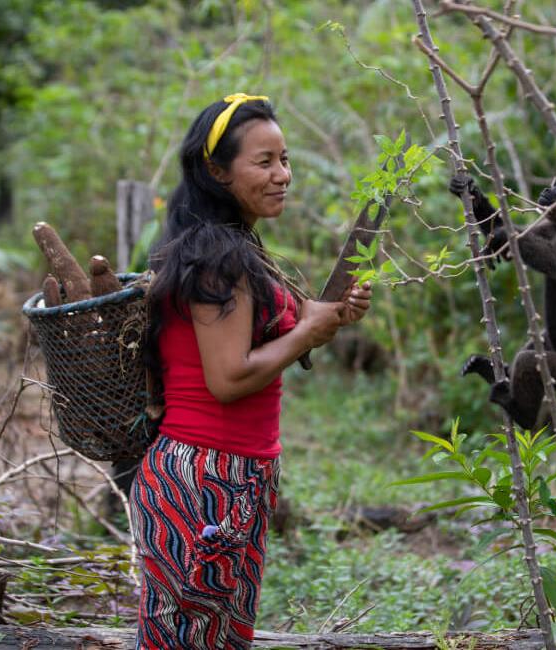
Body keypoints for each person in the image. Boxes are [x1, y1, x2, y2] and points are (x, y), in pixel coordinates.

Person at [129, 93, 372, 649]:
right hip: (206, 478)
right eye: (264, 163)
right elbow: (229, 377)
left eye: (285, 159)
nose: (282, 175)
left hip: (232, 474)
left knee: (210, 637)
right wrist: (308, 331)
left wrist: (319, 318)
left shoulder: (233, 245)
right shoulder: (220, 255)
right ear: (216, 171)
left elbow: (263, 342)